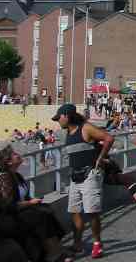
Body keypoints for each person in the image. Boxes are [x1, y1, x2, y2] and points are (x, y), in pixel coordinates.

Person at [0, 145, 74, 262]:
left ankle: (55, 250)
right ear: (8, 162)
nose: (18, 155)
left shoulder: (16, 175)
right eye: (15, 154)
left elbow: (22, 199)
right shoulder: (3, 178)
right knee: (39, 216)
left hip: (13, 213)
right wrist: (30, 203)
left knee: (45, 210)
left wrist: (32, 203)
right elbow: (8, 206)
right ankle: (53, 253)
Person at [53, 103, 114, 258]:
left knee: (92, 212)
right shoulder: (68, 132)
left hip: (90, 176)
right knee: (74, 211)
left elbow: (108, 138)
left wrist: (100, 159)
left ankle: (97, 244)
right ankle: (78, 244)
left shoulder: (85, 128)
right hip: (75, 177)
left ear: (67, 116)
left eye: (59, 118)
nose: (57, 121)